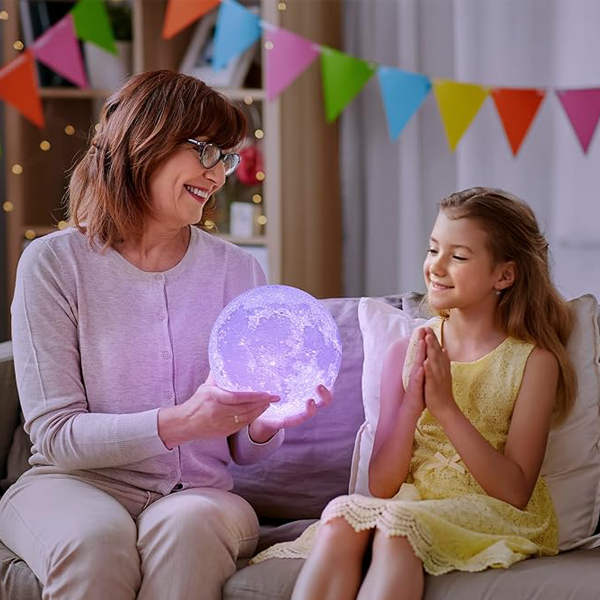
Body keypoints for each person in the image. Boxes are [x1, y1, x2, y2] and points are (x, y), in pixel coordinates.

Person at [0, 70, 331, 600]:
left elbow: (244, 451)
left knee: (189, 528)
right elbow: (57, 435)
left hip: (197, 493)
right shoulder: (53, 264)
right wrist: (182, 422)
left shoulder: (239, 271)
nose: (218, 174)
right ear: (143, 139)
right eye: (206, 151)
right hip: (69, 484)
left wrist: (266, 422)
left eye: (225, 157)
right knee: (94, 541)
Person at [251, 187, 577, 600]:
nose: (436, 267)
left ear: (504, 275)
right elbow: (383, 485)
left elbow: (515, 492)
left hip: (491, 511)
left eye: (458, 256)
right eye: (433, 249)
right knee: (339, 517)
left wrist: (445, 407)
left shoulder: (533, 362)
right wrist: (411, 406)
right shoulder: (406, 352)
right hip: (410, 500)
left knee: (396, 531)